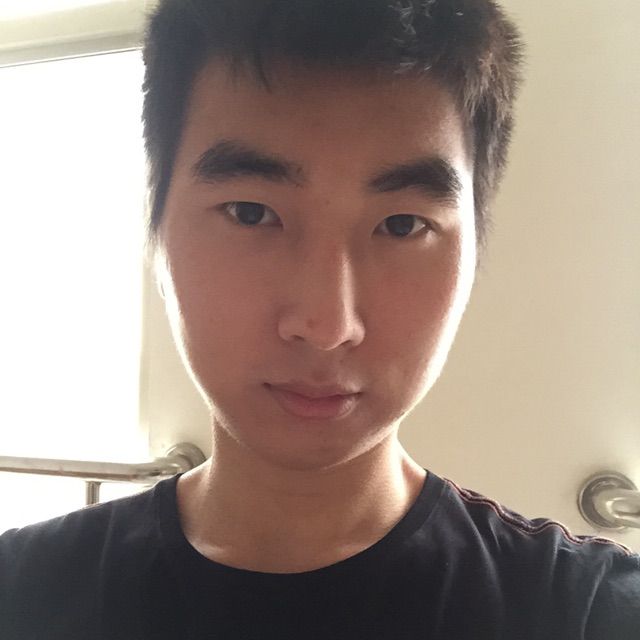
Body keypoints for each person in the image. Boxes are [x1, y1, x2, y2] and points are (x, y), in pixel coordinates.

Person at [1, 1, 639, 638]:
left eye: (402, 225)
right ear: (157, 227)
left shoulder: (589, 611)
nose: (326, 324)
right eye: (251, 213)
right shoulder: (22, 591)